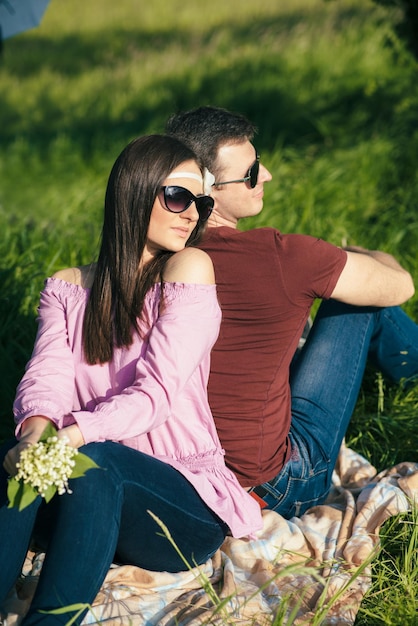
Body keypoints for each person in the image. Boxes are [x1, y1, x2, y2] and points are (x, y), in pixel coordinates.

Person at [0, 134, 263, 624]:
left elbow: (155, 396)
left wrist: (72, 435)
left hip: (179, 501)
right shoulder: (68, 287)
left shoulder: (188, 269)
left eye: (201, 203)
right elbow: (46, 380)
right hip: (83, 484)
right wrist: (36, 434)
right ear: (134, 192)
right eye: (179, 196)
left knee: (99, 460)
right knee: (12, 459)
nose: (192, 213)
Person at [166, 105, 418, 517]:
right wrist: (356, 254)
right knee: (355, 297)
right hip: (277, 486)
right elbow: (400, 286)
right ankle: (412, 370)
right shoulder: (281, 257)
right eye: (250, 173)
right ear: (206, 190)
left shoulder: (151, 255)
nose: (265, 176)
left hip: (188, 481)